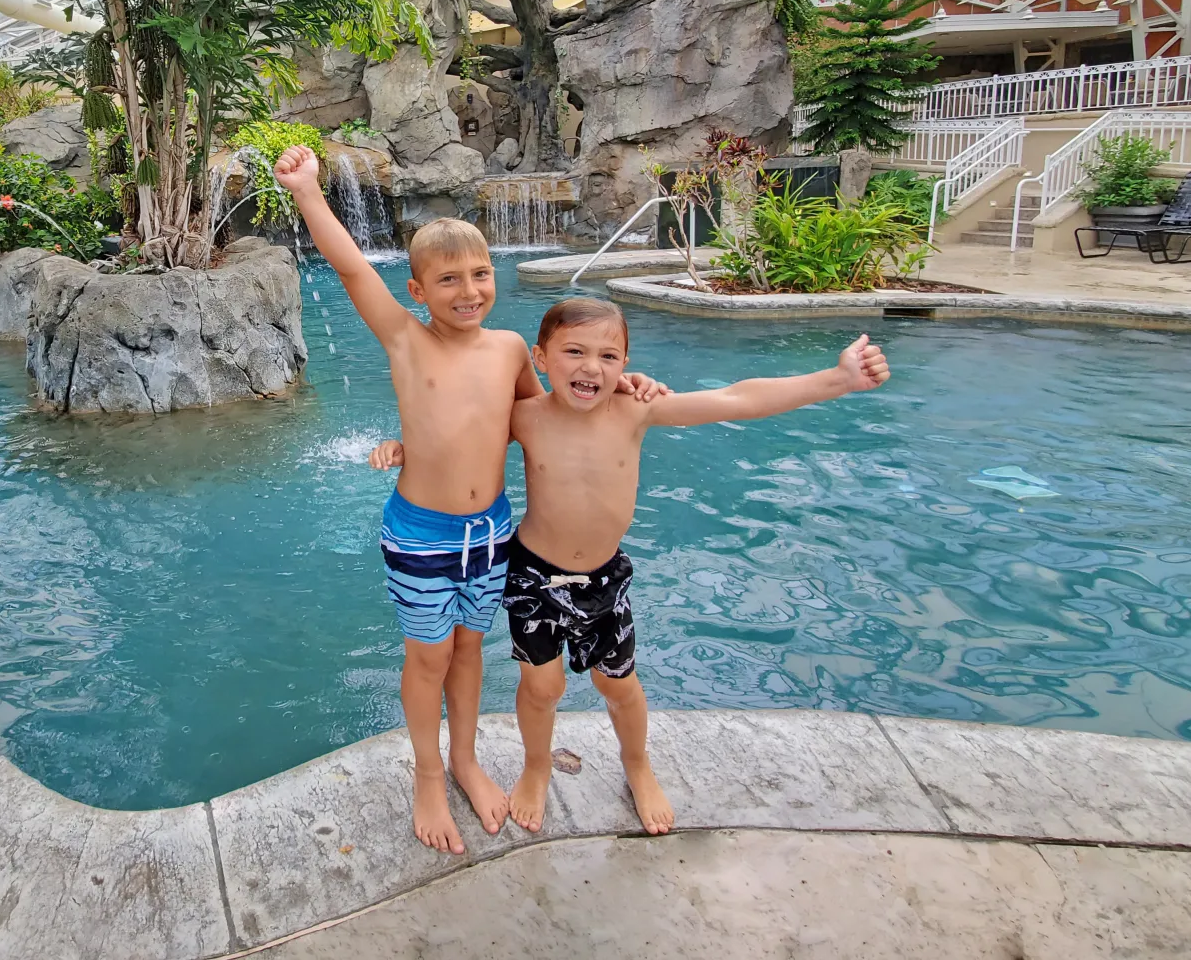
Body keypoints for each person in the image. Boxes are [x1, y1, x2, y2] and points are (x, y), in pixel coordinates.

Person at [369, 297, 891, 836]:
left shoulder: (637, 409)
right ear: (541, 358)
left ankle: (637, 765)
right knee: (541, 687)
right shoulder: (524, 417)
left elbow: (736, 399)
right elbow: (459, 433)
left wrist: (836, 378)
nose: (591, 367)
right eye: (574, 352)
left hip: (603, 581)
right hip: (532, 578)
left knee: (619, 686)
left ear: (625, 365)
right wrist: (404, 446)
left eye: (608, 356)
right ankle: (535, 767)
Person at [272, 146, 665, 856]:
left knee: (470, 653)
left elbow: (538, 420)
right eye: (448, 279)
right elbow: (353, 266)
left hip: (489, 537)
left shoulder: (514, 348)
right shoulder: (404, 339)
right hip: (420, 533)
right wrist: (306, 192)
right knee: (427, 657)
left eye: (480, 274)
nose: (468, 290)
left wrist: (625, 389)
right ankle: (428, 773)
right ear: (418, 290)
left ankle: (466, 758)